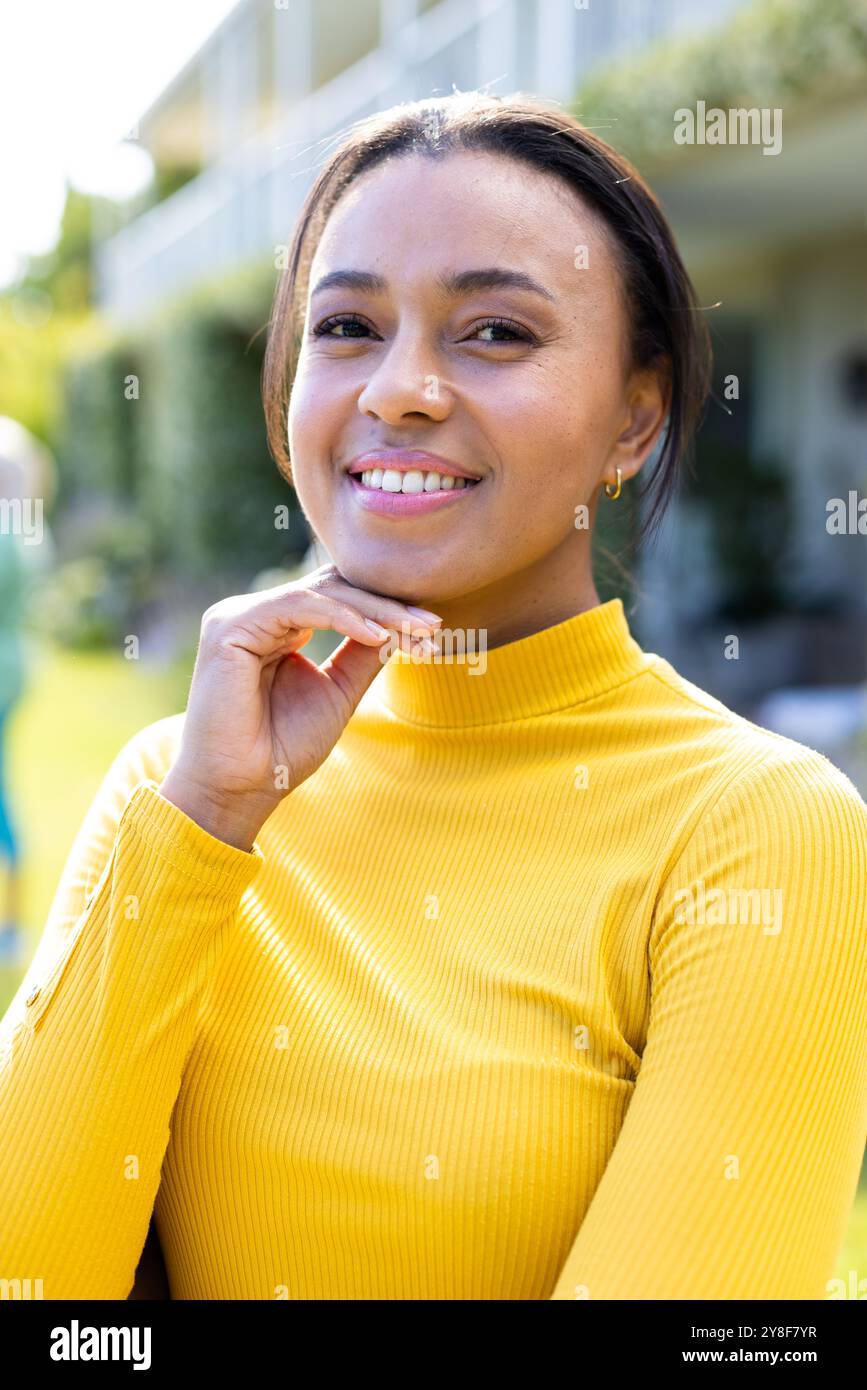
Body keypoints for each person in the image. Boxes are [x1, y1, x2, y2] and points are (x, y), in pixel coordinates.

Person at [1, 92, 865, 1301]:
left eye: (497, 332)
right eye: (347, 325)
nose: (399, 389)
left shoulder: (758, 833)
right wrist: (197, 827)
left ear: (636, 415)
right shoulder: (180, 791)